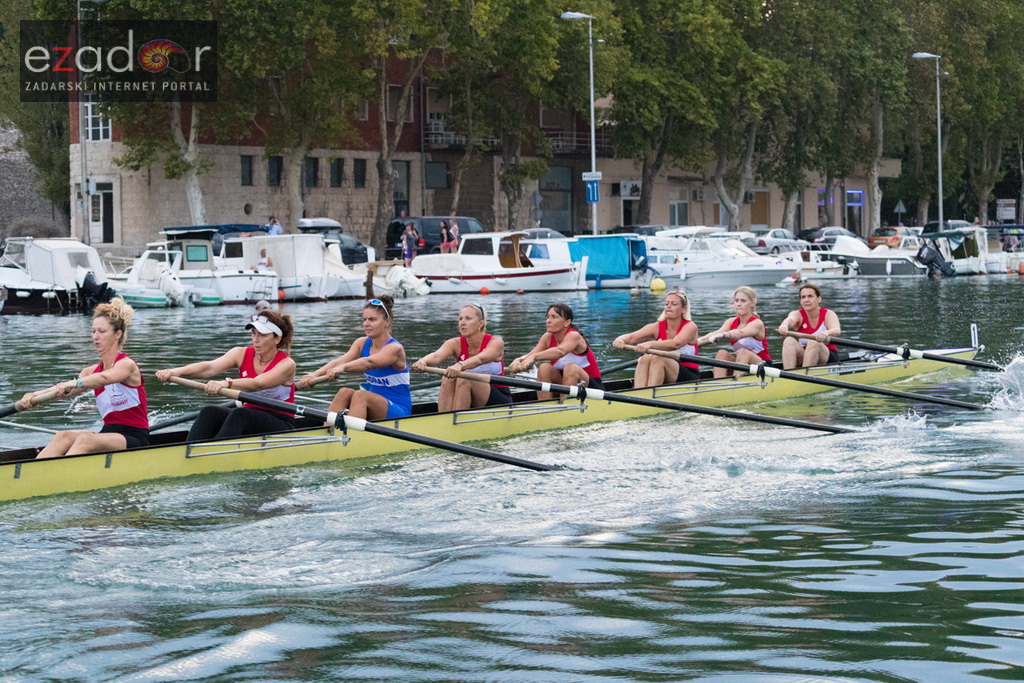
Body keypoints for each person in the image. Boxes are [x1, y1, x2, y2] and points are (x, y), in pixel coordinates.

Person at [18, 299, 149, 458]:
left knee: (86, 439)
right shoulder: (89, 372)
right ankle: (34, 473)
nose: (95, 337)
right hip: (107, 435)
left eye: (102, 331)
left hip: (134, 437)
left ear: (117, 334)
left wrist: (75, 382)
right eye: (93, 331)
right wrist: (34, 395)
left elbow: (104, 378)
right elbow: (63, 391)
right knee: (64, 436)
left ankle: (58, 475)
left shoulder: (126, 365)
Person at [155, 310, 297, 442]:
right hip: (250, 414)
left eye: (262, 335)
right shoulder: (240, 353)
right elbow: (210, 368)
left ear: (277, 339)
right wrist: (177, 371)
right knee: (209, 411)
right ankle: (188, 451)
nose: (255, 339)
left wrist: (226, 383)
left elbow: (257, 383)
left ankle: (217, 455)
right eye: (253, 333)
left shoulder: (287, 364)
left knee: (240, 414)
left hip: (281, 421)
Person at [297, 296, 411, 420]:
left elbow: (369, 363)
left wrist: (342, 368)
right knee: (344, 392)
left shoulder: (394, 348)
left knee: (360, 395)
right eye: (365, 319)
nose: (366, 324)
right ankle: (329, 434)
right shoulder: (362, 343)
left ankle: (353, 436)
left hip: (399, 410)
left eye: (372, 319)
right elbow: (338, 361)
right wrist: (313, 375)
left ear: (387, 321)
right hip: (373, 405)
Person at [412, 303, 512, 410]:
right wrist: (423, 361)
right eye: (460, 319)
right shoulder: (454, 343)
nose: (462, 323)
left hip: (499, 398)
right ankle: (444, 418)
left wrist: (460, 365)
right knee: (447, 378)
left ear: (481, 323)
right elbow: (436, 356)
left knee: (464, 377)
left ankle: (457, 419)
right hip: (469, 397)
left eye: (468, 318)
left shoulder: (496, 342)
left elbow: (480, 359)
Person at [507, 303, 602, 400]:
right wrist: (518, 361)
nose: (548, 321)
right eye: (547, 317)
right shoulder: (547, 337)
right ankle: (545, 406)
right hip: (564, 385)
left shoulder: (574, 336)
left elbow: (560, 351)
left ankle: (565, 408)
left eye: (554, 317)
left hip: (592, 388)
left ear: (567, 322)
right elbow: (530, 355)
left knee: (570, 368)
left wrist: (534, 357)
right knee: (544, 367)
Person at [612, 290, 700, 387]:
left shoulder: (690, 327)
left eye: (674, 304)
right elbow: (631, 337)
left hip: (689, 375)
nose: (668, 306)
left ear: (683, 309)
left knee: (659, 357)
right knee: (644, 358)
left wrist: (650, 344)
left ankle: (650, 396)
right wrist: (620, 340)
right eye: (666, 304)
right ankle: (639, 393)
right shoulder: (657, 327)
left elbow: (675, 344)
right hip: (665, 372)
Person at [696, 286, 771, 378]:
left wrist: (724, 335)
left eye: (743, 301)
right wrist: (691, 344)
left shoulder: (757, 323)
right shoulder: (731, 322)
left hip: (763, 367)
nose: (738, 304)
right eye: (736, 301)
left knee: (743, 352)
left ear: (752, 303)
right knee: (721, 353)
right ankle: (720, 383)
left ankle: (737, 386)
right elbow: (712, 335)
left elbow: (740, 333)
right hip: (743, 364)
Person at [777, 283, 842, 369]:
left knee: (813, 341)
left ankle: (804, 377)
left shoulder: (828, 314)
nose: (806, 300)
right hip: (805, 357)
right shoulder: (797, 314)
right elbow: (790, 320)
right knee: (788, 340)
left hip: (827, 357)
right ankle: (789, 375)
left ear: (819, 299)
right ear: (800, 301)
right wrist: (784, 325)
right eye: (803, 297)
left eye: (810, 296)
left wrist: (826, 333)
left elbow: (837, 330)